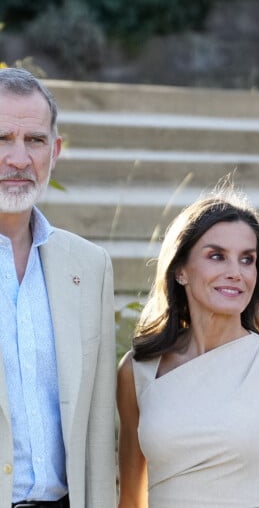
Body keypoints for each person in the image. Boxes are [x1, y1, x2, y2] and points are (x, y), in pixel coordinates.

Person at [116, 194, 259, 508]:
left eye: (247, 259)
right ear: (180, 270)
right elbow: (130, 500)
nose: (236, 271)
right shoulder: (137, 370)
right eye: (217, 256)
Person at [0, 67, 116, 507]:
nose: (18, 158)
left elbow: (99, 425)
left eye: (34, 141)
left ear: (55, 150)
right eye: (1, 139)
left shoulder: (90, 266)